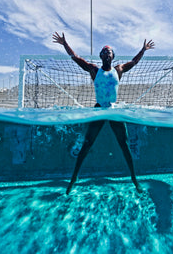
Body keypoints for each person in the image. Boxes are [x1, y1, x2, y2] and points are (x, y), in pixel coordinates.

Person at [52, 32, 154, 194]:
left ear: (113, 56)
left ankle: (134, 179)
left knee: (124, 145)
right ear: (100, 56)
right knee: (87, 144)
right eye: (104, 51)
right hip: (99, 109)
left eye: (109, 51)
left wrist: (143, 49)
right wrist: (65, 43)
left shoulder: (119, 70)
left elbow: (134, 61)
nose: (107, 52)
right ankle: (73, 179)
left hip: (113, 110)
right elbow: (75, 57)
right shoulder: (93, 70)